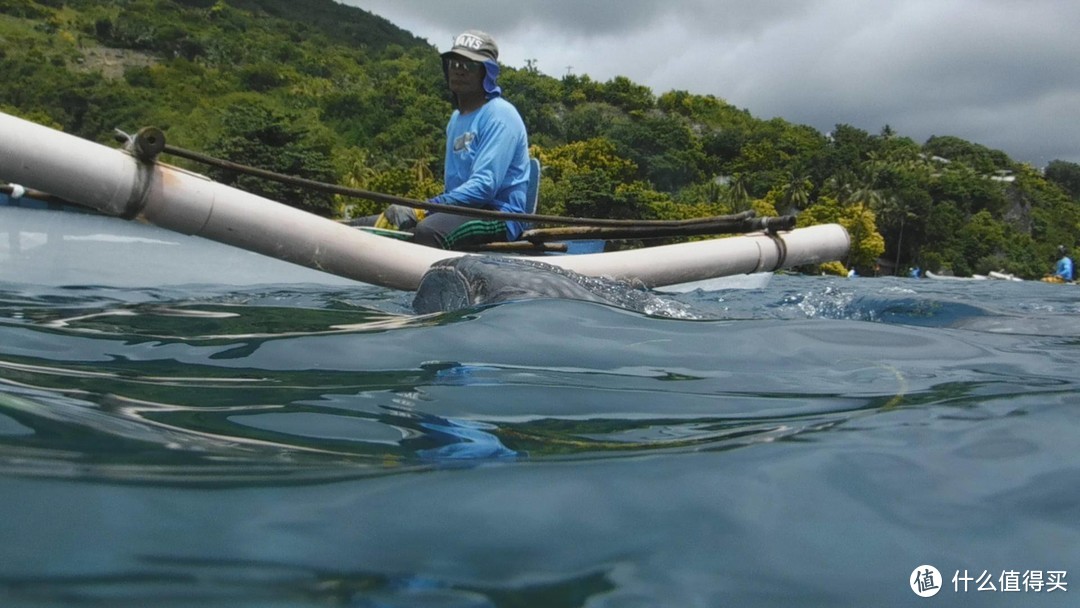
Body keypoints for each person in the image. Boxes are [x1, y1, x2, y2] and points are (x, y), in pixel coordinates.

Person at [353, 30, 530, 250]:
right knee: (364, 226)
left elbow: (485, 187)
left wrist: (425, 209)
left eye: (469, 65)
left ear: (486, 73)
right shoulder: (456, 119)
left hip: (498, 215)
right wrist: (426, 209)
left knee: (428, 231)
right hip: (457, 211)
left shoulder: (500, 114)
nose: (459, 70)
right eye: (454, 63)